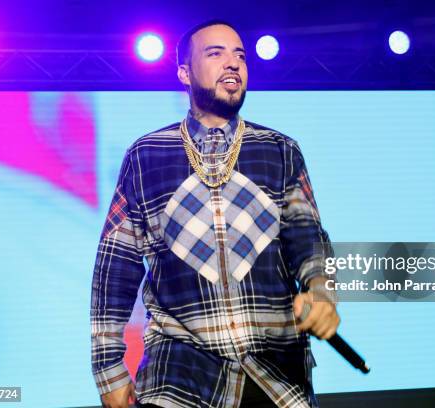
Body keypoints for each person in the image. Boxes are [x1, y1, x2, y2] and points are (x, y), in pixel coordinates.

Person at [91, 20, 339, 408]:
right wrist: (108, 370)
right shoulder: (146, 155)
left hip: (275, 373)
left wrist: (321, 292)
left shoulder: (279, 150)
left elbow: (307, 237)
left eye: (240, 55)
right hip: (181, 374)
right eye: (216, 53)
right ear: (184, 73)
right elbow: (116, 267)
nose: (233, 64)